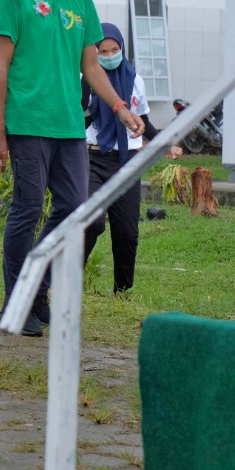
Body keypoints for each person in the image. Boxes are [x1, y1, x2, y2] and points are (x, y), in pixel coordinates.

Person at [0, 0, 144, 337]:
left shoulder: (80, 0)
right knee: (27, 208)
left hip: (71, 126)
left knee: (77, 210)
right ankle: (15, 304)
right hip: (27, 123)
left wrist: (119, 107)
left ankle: (33, 288)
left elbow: (91, 66)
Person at [83, 23, 181, 293]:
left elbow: (143, 118)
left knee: (127, 231)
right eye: (103, 51)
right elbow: (78, 115)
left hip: (128, 160)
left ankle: (122, 292)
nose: (110, 54)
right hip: (92, 160)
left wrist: (164, 144)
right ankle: (68, 278)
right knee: (90, 222)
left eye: (115, 49)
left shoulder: (134, 79)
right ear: (94, 52)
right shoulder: (87, 78)